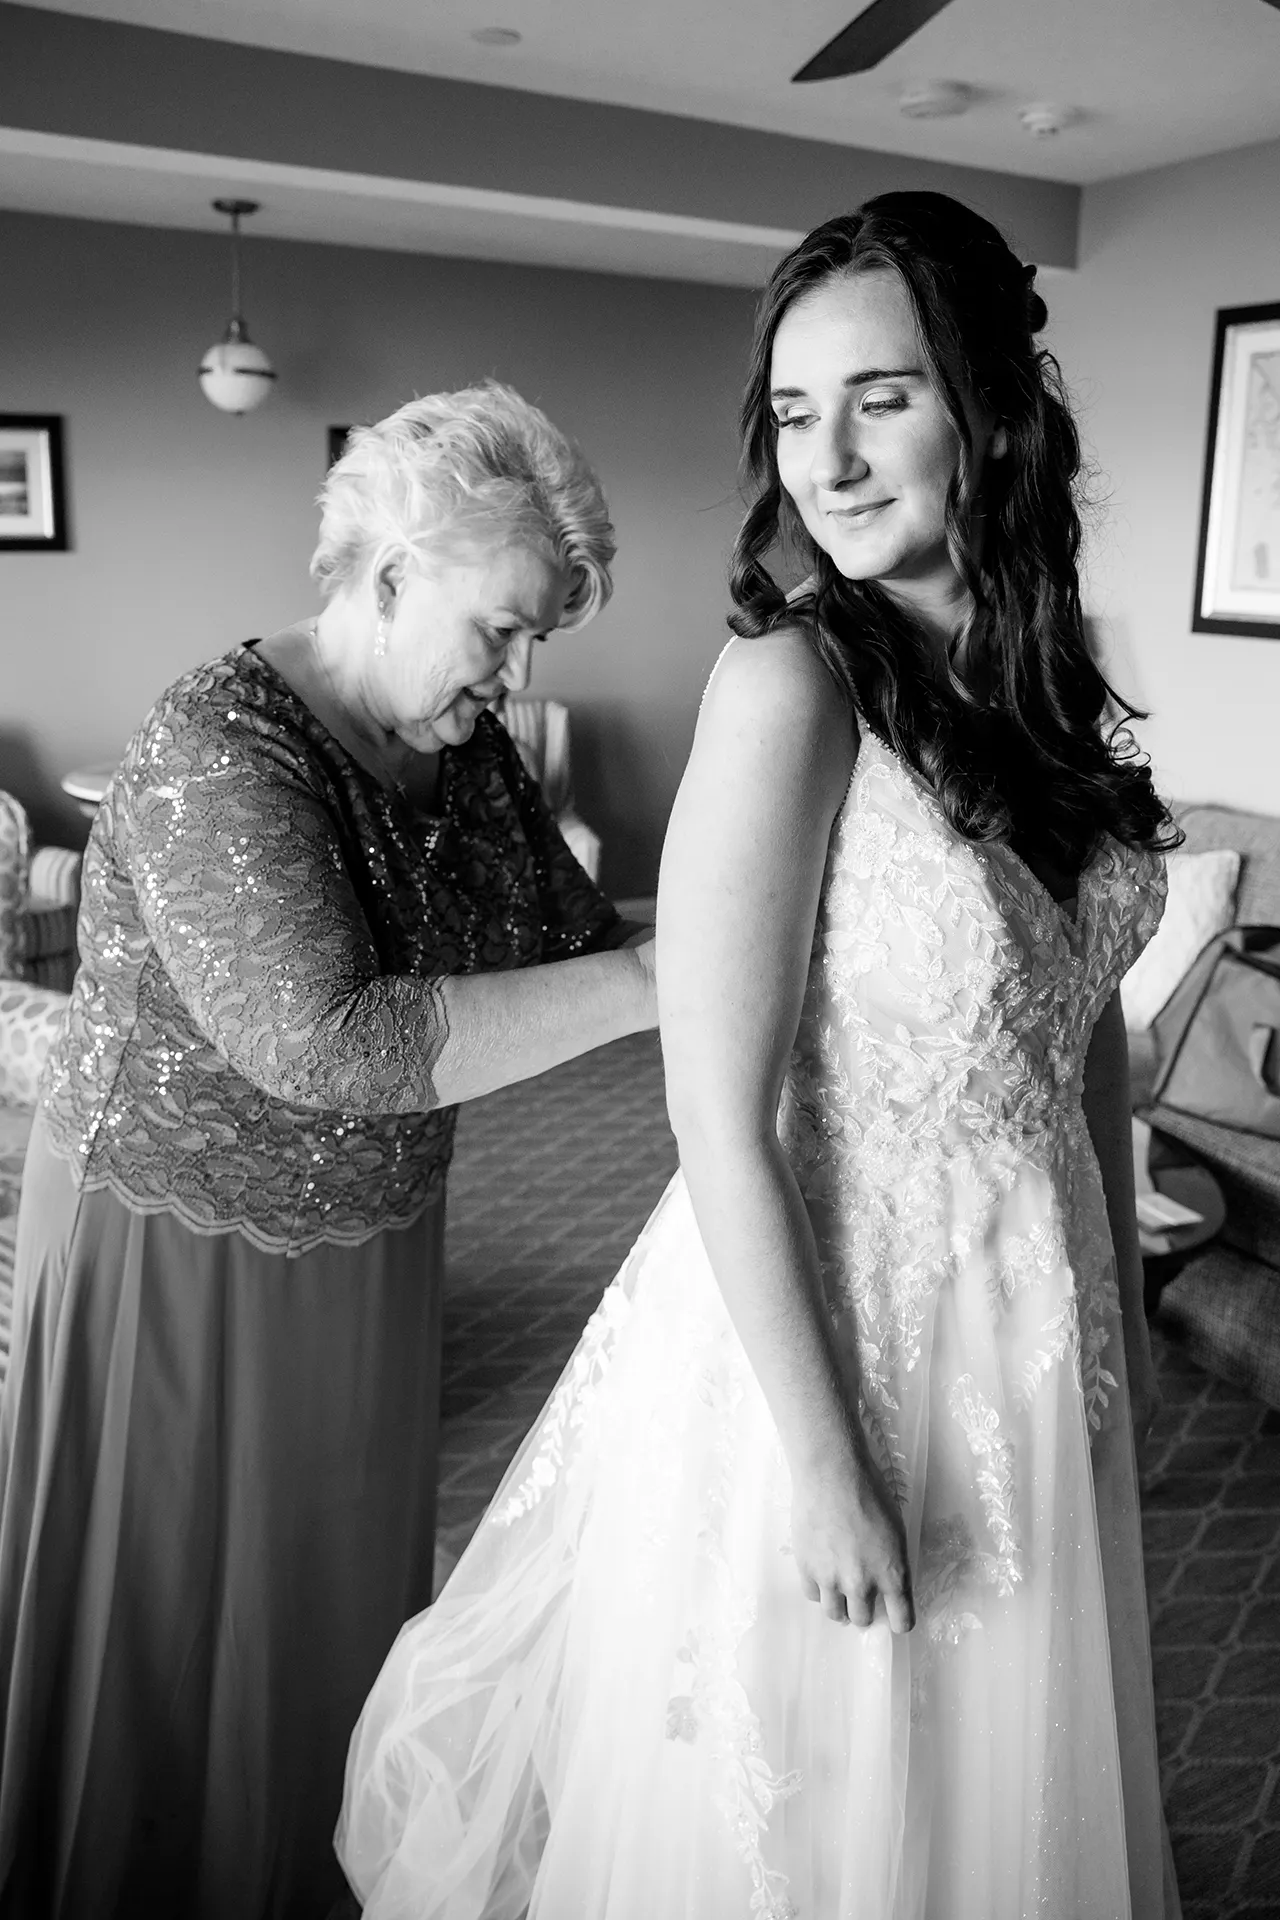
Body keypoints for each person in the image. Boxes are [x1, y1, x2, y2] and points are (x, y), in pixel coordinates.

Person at [338, 195, 1183, 1918]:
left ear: (993, 408)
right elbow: (714, 1113)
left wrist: (1121, 1307)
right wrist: (822, 1465)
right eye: (798, 413)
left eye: (882, 397)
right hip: (837, 1324)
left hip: (1034, 1308)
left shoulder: (1048, 680)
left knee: (1004, 1775)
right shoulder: (792, 687)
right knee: (826, 1795)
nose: (832, 461)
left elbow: (1077, 1030)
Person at [0, 382, 656, 1920]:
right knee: (156, 1632)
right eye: (501, 628)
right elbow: (330, 1043)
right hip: (176, 1239)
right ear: (389, 575)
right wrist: (652, 982)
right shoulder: (218, 743)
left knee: (326, 1609)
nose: (516, 673)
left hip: (370, 1239)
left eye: (538, 639)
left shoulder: (461, 743)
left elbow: (561, 937)